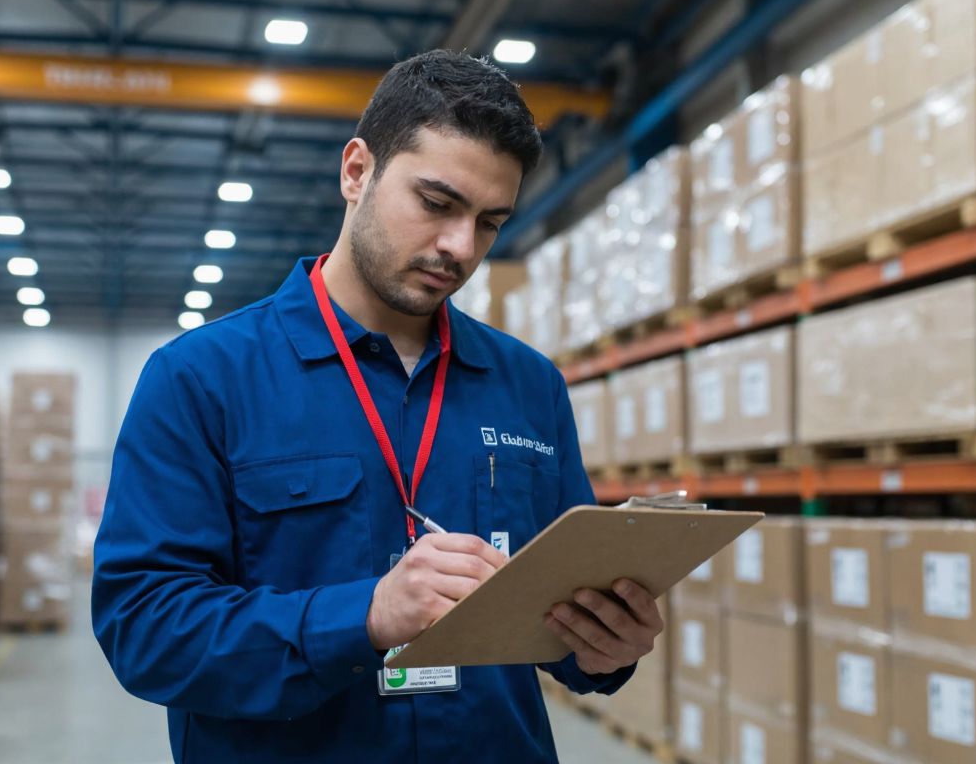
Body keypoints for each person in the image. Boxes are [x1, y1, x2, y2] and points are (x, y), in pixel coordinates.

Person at [91, 49, 663, 762]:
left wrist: (608, 646)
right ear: (356, 171)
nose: (460, 247)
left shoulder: (528, 385)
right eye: (437, 203)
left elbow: (558, 622)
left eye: (490, 222)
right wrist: (361, 616)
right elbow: (145, 628)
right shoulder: (202, 378)